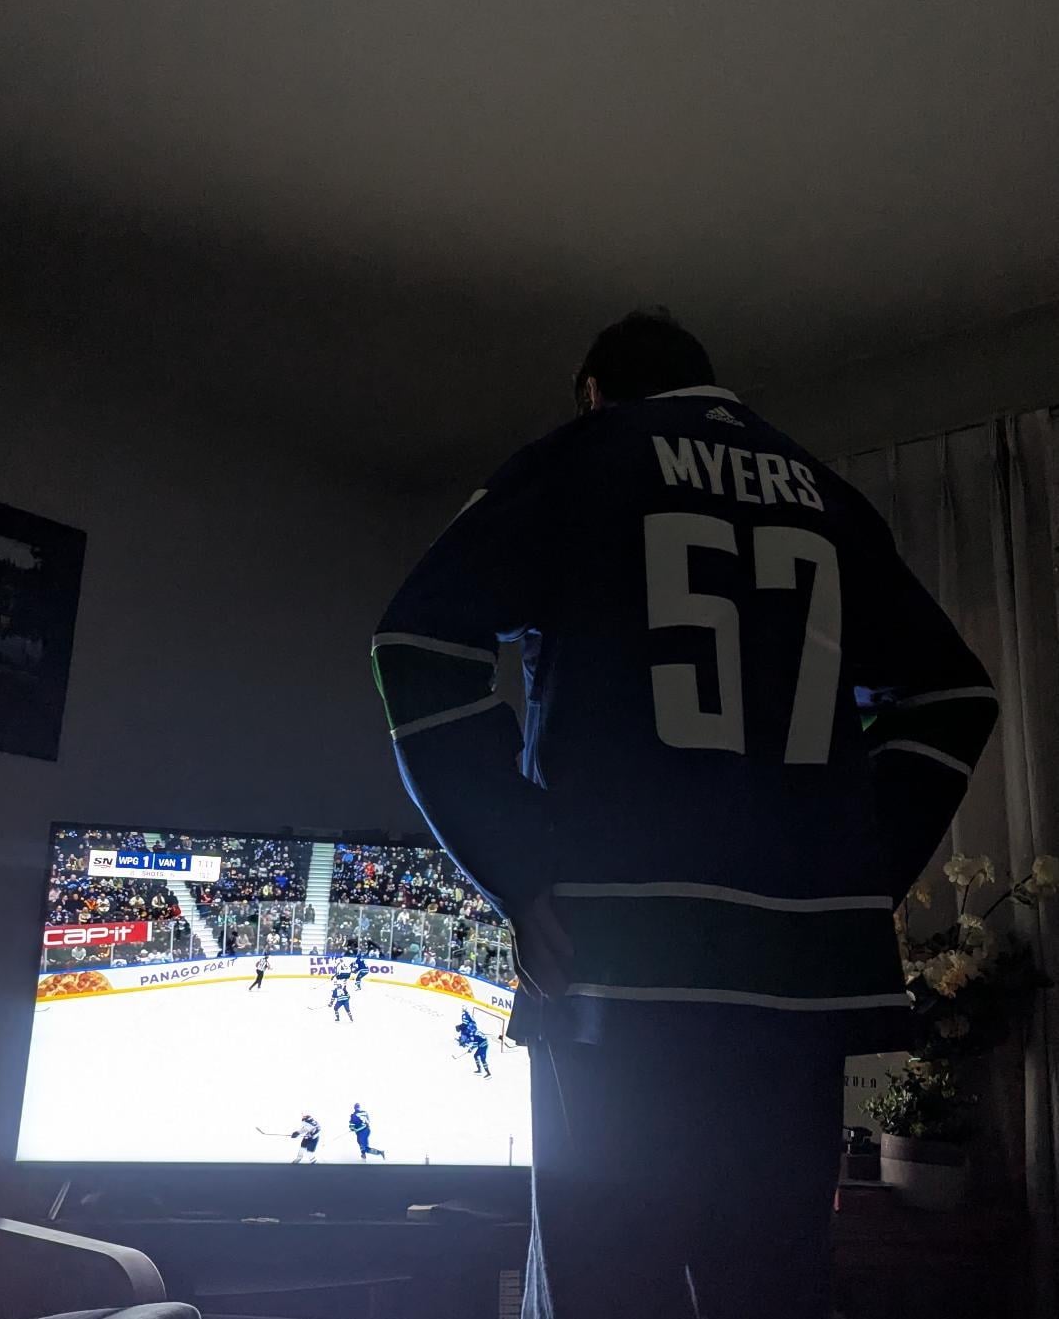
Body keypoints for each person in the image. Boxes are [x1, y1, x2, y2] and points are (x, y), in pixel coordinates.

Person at [372, 309, 997, 1319]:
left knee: (612, 1289)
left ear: (595, 392)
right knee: (772, 1290)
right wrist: (851, 874)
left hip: (619, 965)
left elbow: (414, 643)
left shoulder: (578, 460)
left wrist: (520, 864)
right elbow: (954, 695)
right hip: (793, 989)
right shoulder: (826, 494)